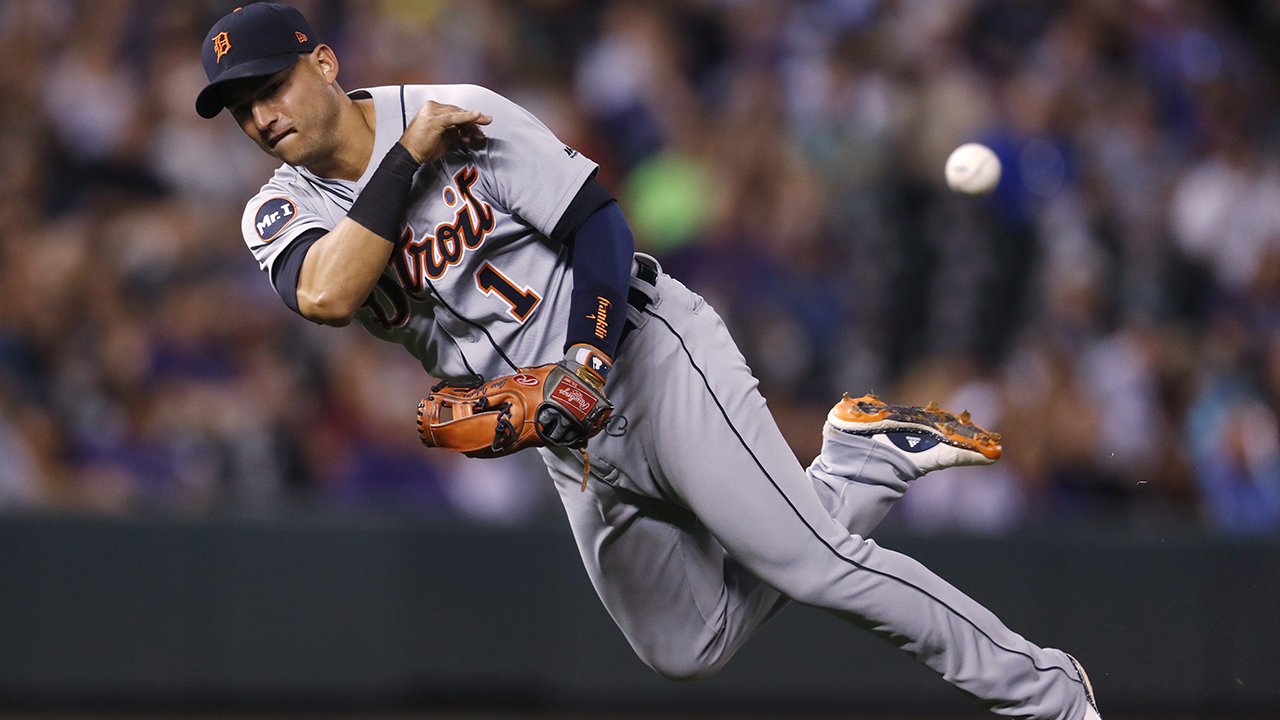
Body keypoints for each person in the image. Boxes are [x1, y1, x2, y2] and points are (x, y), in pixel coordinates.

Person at [196, 5, 1101, 719]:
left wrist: (589, 354)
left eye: (269, 85)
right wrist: (406, 158)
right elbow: (326, 295)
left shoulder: (464, 112)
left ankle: (1052, 698)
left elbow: (598, 221)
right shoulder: (278, 209)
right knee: (686, 646)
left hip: (645, 355)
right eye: (240, 107)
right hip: (565, 433)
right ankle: (860, 462)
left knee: (821, 566)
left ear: (323, 63)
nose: (260, 115)